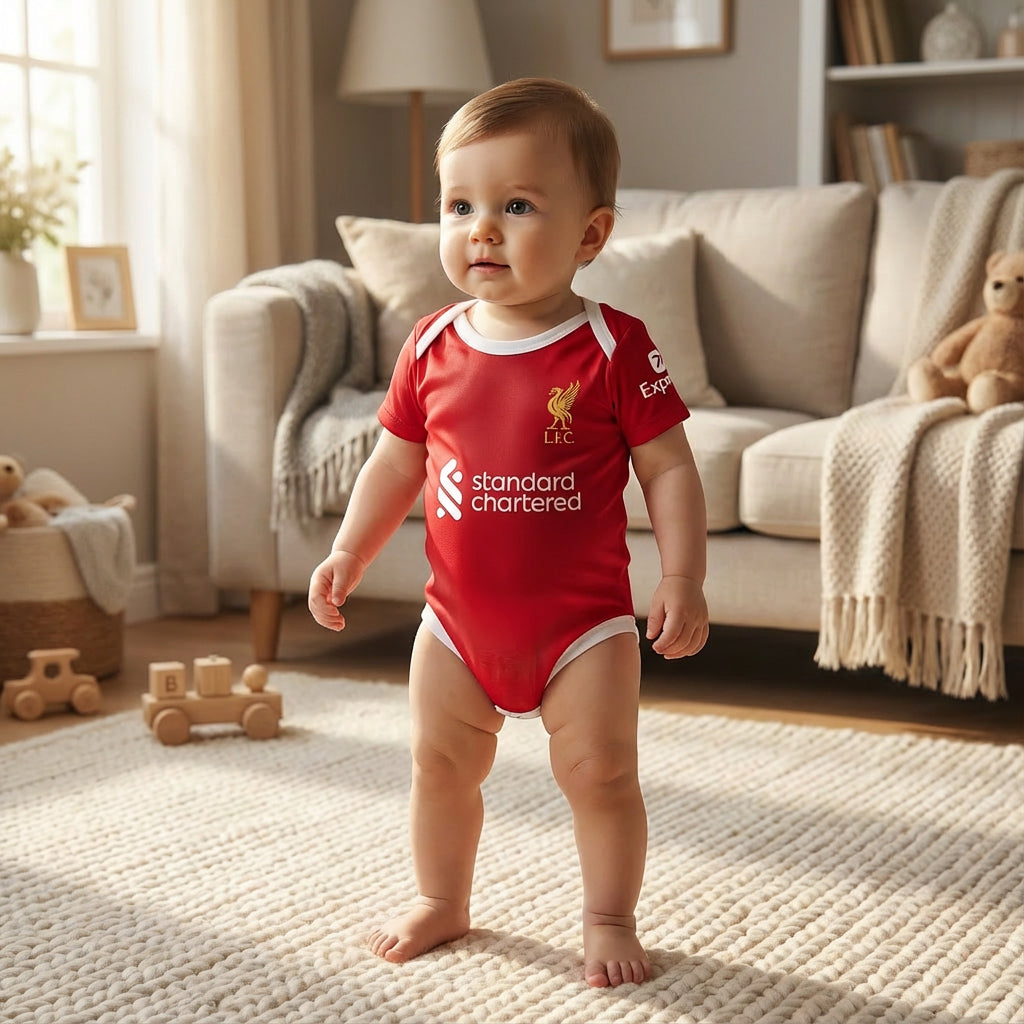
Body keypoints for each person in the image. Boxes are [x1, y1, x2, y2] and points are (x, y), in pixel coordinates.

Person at [308, 77, 709, 989]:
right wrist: (349, 551)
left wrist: (680, 578)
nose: (480, 228)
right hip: (455, 623)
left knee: (602, 774)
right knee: (439, 765)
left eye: (516, 205)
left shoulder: (614, 346)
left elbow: (671, 469)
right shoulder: (431, 343)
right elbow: (395, 464)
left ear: (591, 235)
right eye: (460, 205)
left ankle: (608, 915)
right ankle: (442, 900)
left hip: (584, 628)